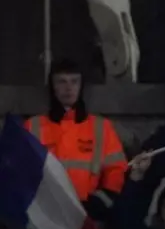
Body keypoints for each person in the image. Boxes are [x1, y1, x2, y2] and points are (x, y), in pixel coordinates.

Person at [26, 59, 128, 203]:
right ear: (52, 86)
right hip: (45, 214)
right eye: (62, 82)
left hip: (88, 213)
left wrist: (102, 200)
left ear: (81, 86)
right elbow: (20, 171)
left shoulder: (101, 127)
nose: (68, 88)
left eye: (74, 82)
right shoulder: (32, 126)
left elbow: (116, 169)